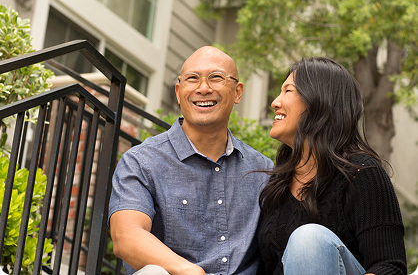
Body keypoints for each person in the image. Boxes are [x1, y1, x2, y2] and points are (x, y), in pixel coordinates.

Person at [108, 46, 274, 275]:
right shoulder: (141, 161)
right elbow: (126, 236)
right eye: (192, 79)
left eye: (216, 78)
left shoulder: (263, 171)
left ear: (237, 92)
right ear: (178, 92)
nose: (203, 88)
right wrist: (188, 271)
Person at [257, 57, 407, 275]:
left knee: (308, 239)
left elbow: (390, 267)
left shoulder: (362, 173)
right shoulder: (276, 185)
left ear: (319, 100)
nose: (275, 102)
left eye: (288, 91)